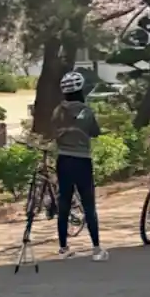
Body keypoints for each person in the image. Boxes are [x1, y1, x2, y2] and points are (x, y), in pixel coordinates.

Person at [48, 70, 108, 261]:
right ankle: (96, 249)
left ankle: (63, 248)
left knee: (64, 203)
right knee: (88, 204)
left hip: (63, 160)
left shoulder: (58, 111)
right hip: (82, 160)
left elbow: (53, 130)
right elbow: (95, 131)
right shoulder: (86, 111)